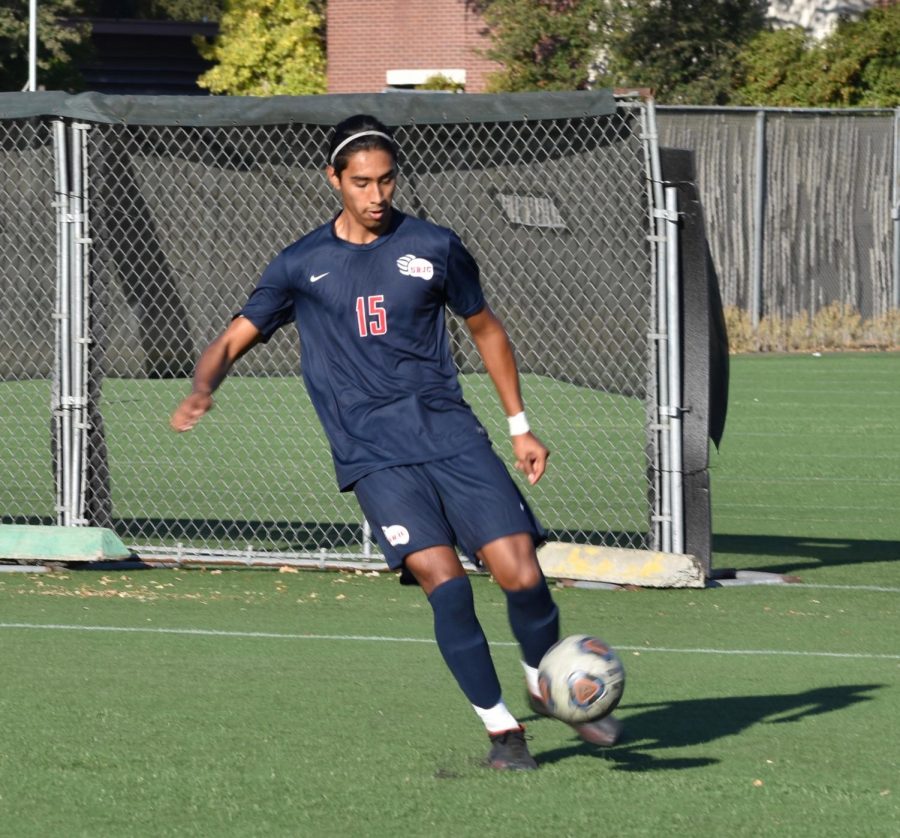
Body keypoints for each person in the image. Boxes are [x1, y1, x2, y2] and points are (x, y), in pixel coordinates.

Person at [170, 114, 622, 770]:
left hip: (451, 436)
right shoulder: (302, 264)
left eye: (385, 180)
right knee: (448, 584)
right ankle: (503, 733)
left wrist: (520, 426)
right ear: (333, 180)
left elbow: (487, 330)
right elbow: (234, 336)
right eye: (361, 183)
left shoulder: (435, 246)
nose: (376, 195)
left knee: (522, 577)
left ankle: (544, 682)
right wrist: (203, 386)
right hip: (373, 454)